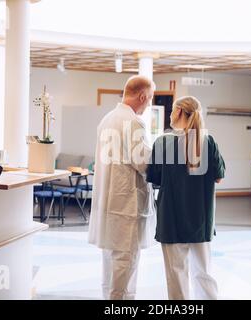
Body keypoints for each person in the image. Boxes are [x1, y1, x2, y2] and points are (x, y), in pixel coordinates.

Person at [146, 96, 225, 300]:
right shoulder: (208, 142)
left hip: (172, 220)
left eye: (172, 109)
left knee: (176, 275)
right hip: (201, 220)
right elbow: (219, 177)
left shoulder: (163, 142)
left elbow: (154, 178)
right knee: (204, 273)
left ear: (179, 111)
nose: (171, 114)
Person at [88, 75, 156, 300]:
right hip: (126, 205)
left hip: (108, 204)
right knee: (125, 263)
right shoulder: (133, 121)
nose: (148, 106)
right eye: (150, 100)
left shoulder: (106, 119)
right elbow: (143, 162)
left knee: (110, 262)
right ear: (142, 95)